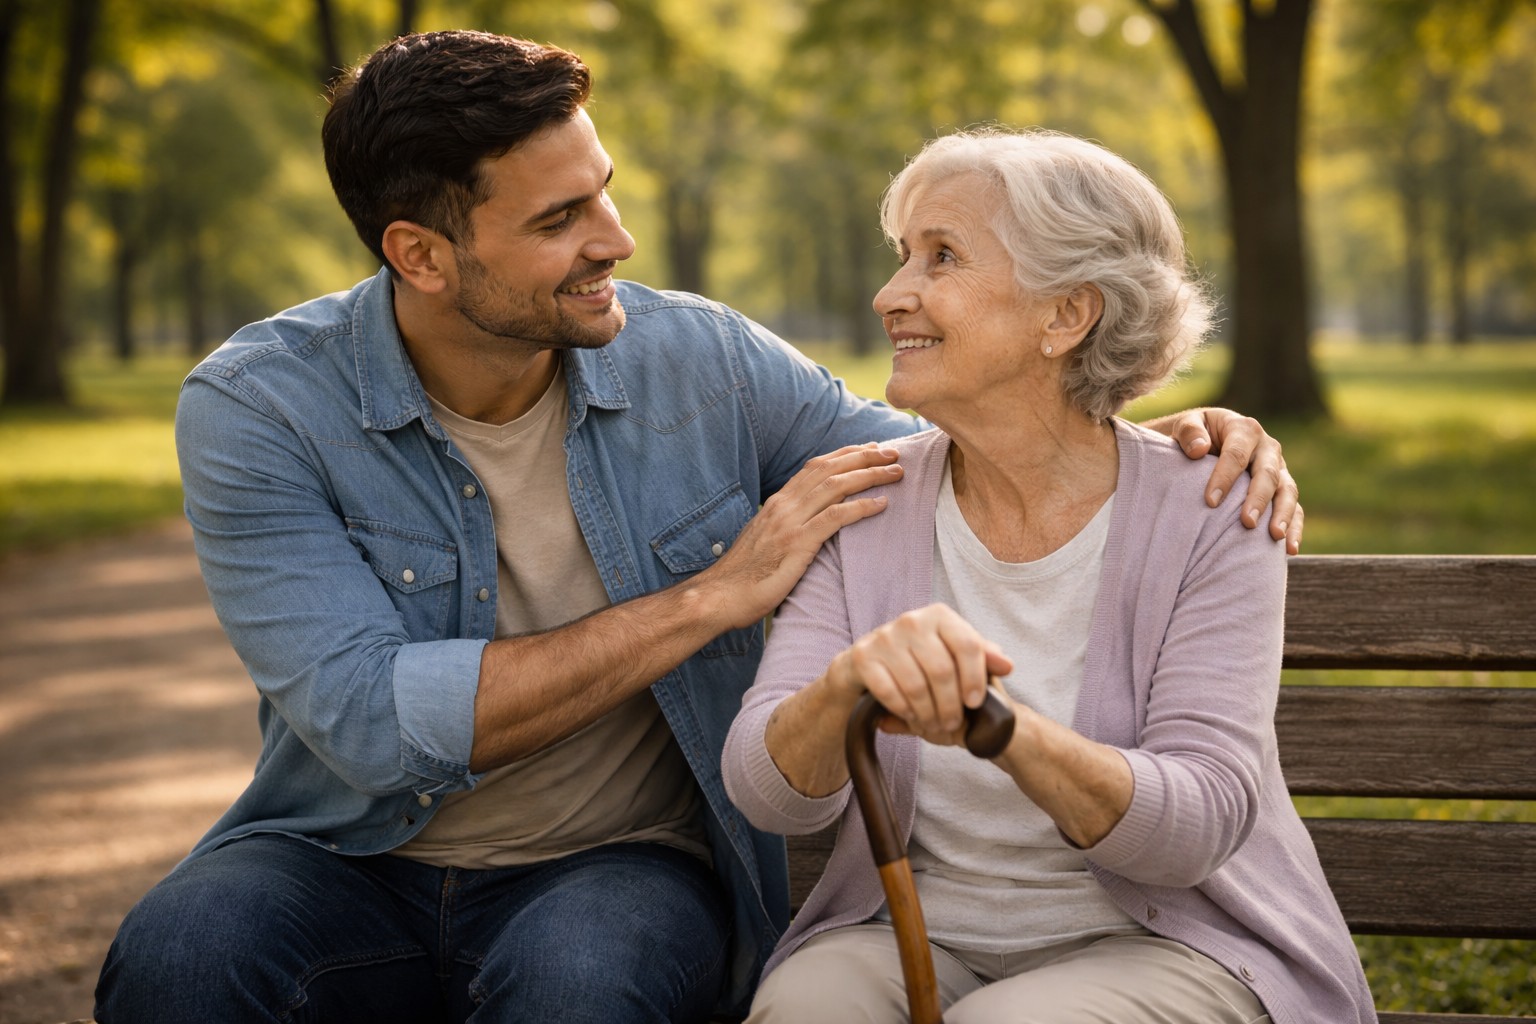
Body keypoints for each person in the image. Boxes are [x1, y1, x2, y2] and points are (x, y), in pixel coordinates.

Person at [94, 32, 1300, 1024]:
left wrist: (1153, 420)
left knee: (585, 986)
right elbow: (370, 723)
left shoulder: (701, 361)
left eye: (604, 190)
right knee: (179, 961)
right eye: (562, 217)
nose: (614, 238)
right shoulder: (261, 407)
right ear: (420, 253)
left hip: (614, 860)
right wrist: (711, 595)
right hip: (344, 851)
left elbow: (962, 434)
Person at [723, 127, 1370, 1024]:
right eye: (903, 256)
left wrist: (996, 725)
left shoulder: (1213, 507)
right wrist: (847, 686)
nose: (889, 294)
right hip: (917, 937)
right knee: (803, 1007)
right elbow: (767, 795)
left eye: (940, 257)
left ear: (1066, 315)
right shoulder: (865, 498)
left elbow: (1198, 825)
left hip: (1179, 944)